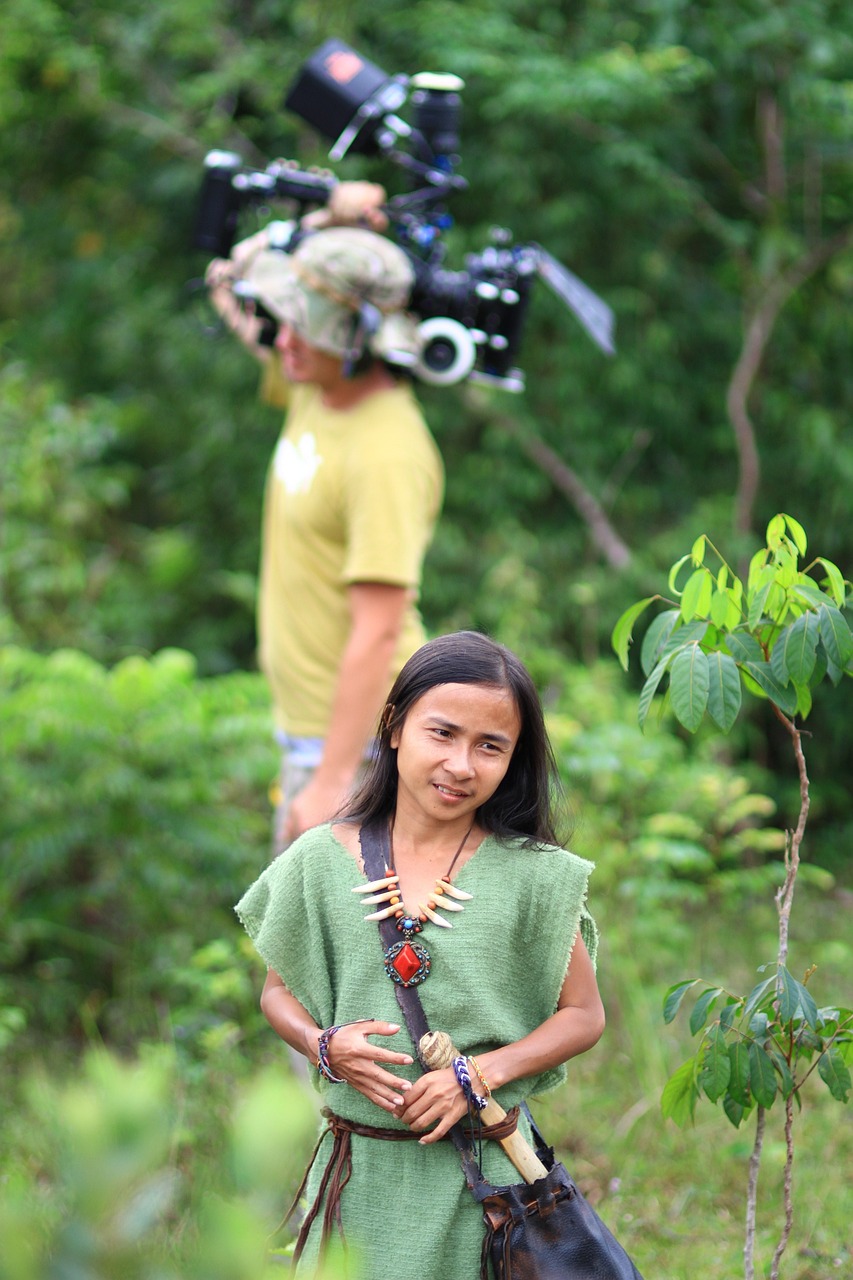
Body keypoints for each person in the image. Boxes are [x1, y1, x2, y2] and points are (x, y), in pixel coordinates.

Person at [235, 630, 606, 1277]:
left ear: (513, 757)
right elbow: (277, 993)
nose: (461, 764)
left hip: (486, 1183)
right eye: (443, 733)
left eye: (490, 746)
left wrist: (479, 1075)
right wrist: (325, 1045)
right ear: (395, 727)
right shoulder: (318, 860)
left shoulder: (535, 877)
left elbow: (583, 1015)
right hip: (360, 1176)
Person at [205, 183, 444, 849]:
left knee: (324, 950)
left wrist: (333, 777)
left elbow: (378, 628)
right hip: (311, 732)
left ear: (356, 340)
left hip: (360, 750)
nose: (280, 338)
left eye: (300, 323)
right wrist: (325, 217)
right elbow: (226, 277)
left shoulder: (386, 450)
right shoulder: (314, 383)